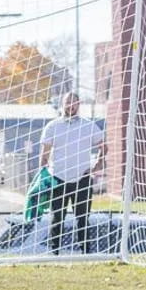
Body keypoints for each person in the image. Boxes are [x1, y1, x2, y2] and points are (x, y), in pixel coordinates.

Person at [39, 92, 106, 255]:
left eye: (74, 102)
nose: (71, 105)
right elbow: (45, 153)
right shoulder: (53, 126)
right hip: (58, 178)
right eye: (68, 102)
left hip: (81, 178)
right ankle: (54, 253)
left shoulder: (88, 125)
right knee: (56, 218)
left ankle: (85, 253)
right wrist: (43, 174)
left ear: (78, 104)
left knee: (82, 218)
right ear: (63, 104)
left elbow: (103, 145)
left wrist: (98, 163)